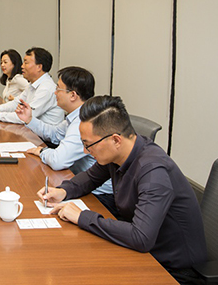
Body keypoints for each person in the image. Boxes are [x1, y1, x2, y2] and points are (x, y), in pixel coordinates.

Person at [38, 95, 207, 285]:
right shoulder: (120, 153)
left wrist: (82, 216)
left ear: (116, 140)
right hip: (143, 252)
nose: (85, 151)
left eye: (88, 145)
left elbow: (141, 237)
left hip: (172, 270)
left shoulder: (153, 172)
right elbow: (91, 178)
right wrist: (63, 191)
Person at [16, 66, 113, 205]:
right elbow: (55, 134)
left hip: (98, 195)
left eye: (58, 89)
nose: (54, 92)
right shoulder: (77, 115)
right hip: (80, 183)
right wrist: (30, 120)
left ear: (73, 95)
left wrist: (42, 151)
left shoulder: (84, 121)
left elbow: (58, 161)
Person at [0, 47, 64, 125]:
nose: (22, 66)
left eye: (26, 63)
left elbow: (25, 116)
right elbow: (16, 103)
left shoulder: (46, 88)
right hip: (31, 130)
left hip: (43, 135)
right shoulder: (33, 84)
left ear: (39, 67)